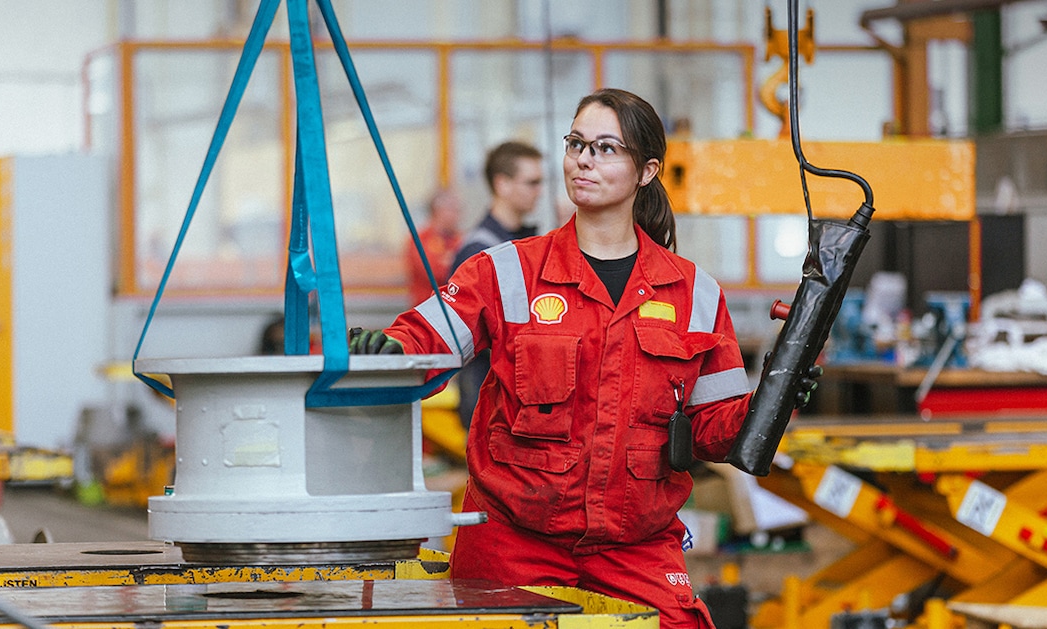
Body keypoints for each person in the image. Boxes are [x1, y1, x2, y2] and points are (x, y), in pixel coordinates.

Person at [350, 89, 817, 629]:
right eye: (576, 144)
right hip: (514, 542)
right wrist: (392, 354)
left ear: (647, 172)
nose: (584, 159)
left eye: (605, 148)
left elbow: (714, 428)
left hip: (634, 547)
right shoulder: (505, 271)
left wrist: (771, 401)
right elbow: (425, 339)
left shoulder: (695, 294)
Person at [449, 140, 544, 430]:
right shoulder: (480, 253)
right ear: (502, 184)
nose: (539, 192)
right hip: (490, 402)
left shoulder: (525, 246)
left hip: (519, 400)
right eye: (531, 182)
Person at [405, 187, 463, 307]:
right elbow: (436, 272)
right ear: (437, 210)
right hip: (424, 310)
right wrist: (452, 261)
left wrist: (449, 261)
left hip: (453, 309)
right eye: (453, 210)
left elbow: (466, 273)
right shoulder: (420, 239)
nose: (458, 216)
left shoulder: (460, 239)